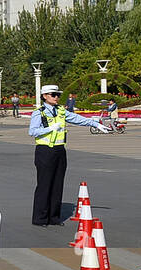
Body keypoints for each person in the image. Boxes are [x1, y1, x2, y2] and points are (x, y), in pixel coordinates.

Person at [28, 84, 113, 226]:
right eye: (53, 94)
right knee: (44, 184)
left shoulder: (61, 110)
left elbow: (76, 118)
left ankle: (54, 217)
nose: (56, 97)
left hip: (60, 151)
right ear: (44, 96)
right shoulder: (39, 112)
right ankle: (40, 218)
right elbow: (33, 131)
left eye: (58, 95)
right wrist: (50, 128)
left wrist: (95, 124)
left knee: (57, 184)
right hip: (45, 151)